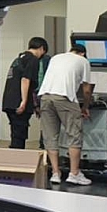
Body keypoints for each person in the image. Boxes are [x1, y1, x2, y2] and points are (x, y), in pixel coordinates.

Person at [38, 44, 93, 186]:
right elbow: (87, 89)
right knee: (74, 134)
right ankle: (74, 173)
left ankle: (55, 173)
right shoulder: (83, 61)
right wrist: (85, 107)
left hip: (45, 97)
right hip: (65, 97)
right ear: (83, 53)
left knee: (50, 136)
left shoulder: (56, 57)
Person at [2, 37, 48, 149]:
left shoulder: (19, 58)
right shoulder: (33, 59)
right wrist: (24, 101)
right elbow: (25, 79)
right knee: (20, 134)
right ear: (41, 48)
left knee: (15, 133)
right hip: (19, 101)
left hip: (9, 100)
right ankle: (17, 157)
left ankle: (15, 154)